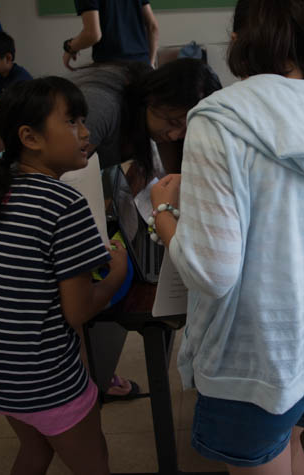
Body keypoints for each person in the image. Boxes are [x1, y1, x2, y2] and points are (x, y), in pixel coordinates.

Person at [148, 0, 304, 474]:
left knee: (272, 455)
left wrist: (166, 213)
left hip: (254, 358)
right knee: (291, 449)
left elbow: (211, 273)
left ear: (237, 42)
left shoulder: (219, 120)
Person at [0, 76, 129, 475]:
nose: (86, 132)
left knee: (36, 449)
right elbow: (77, 313)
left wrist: (4, 283)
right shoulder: (64, 204)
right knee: (95, 464)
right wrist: (114, 276)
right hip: (43, 379)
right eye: (72, 121)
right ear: (31, 137)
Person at [65, 57, 221, 401]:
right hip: (59, 218)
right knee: (80, 309)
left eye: (186, 126)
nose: (175, 134)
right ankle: (83, 387)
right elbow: (63, 176)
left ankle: (93, 378)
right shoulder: (102, 106)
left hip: (86, 208)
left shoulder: (142, 108)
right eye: (173, 122)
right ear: (152, 99)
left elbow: (142, 174)